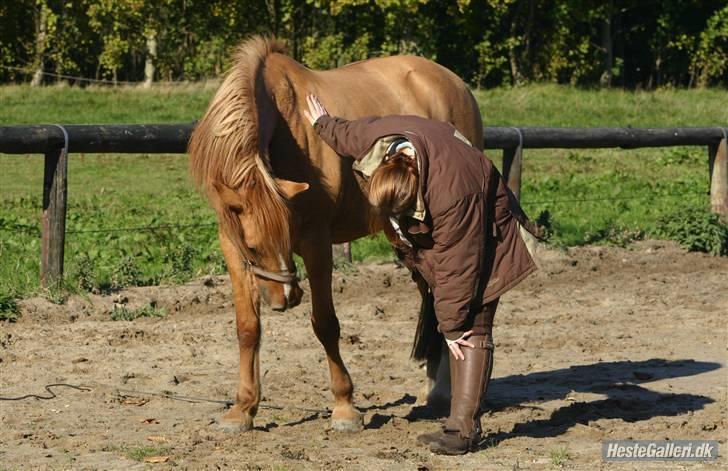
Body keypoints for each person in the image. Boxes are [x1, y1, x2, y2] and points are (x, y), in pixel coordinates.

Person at [304, 95, 541, 455]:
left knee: (471, 324)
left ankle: (463, 432)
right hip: (452, 206)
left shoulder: (451, 198)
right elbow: (347, 134)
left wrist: (449, 328)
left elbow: (457, 269)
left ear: (415, 192)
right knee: (458, 321)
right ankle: (457, 422)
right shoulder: (377, 143)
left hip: (486, 221)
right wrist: (323, 123)